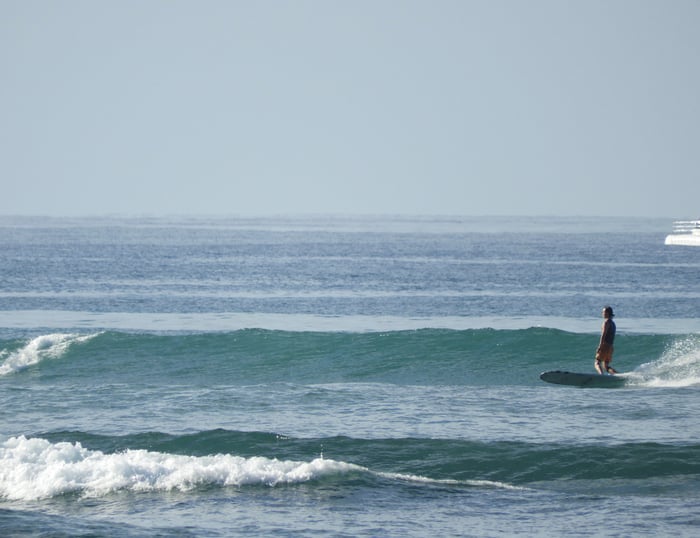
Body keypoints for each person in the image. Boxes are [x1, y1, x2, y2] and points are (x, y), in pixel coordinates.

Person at [595, 306, 617, 374]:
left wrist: (600, 346)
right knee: (605, 366)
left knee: (597, 363)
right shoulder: (613, 323)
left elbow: (603, 335)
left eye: (603, 312)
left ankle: (601, 375)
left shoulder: (606, 322)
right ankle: (617, 375)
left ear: (607, 313)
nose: (602, 313)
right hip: (610, 347)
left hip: (605, 345)